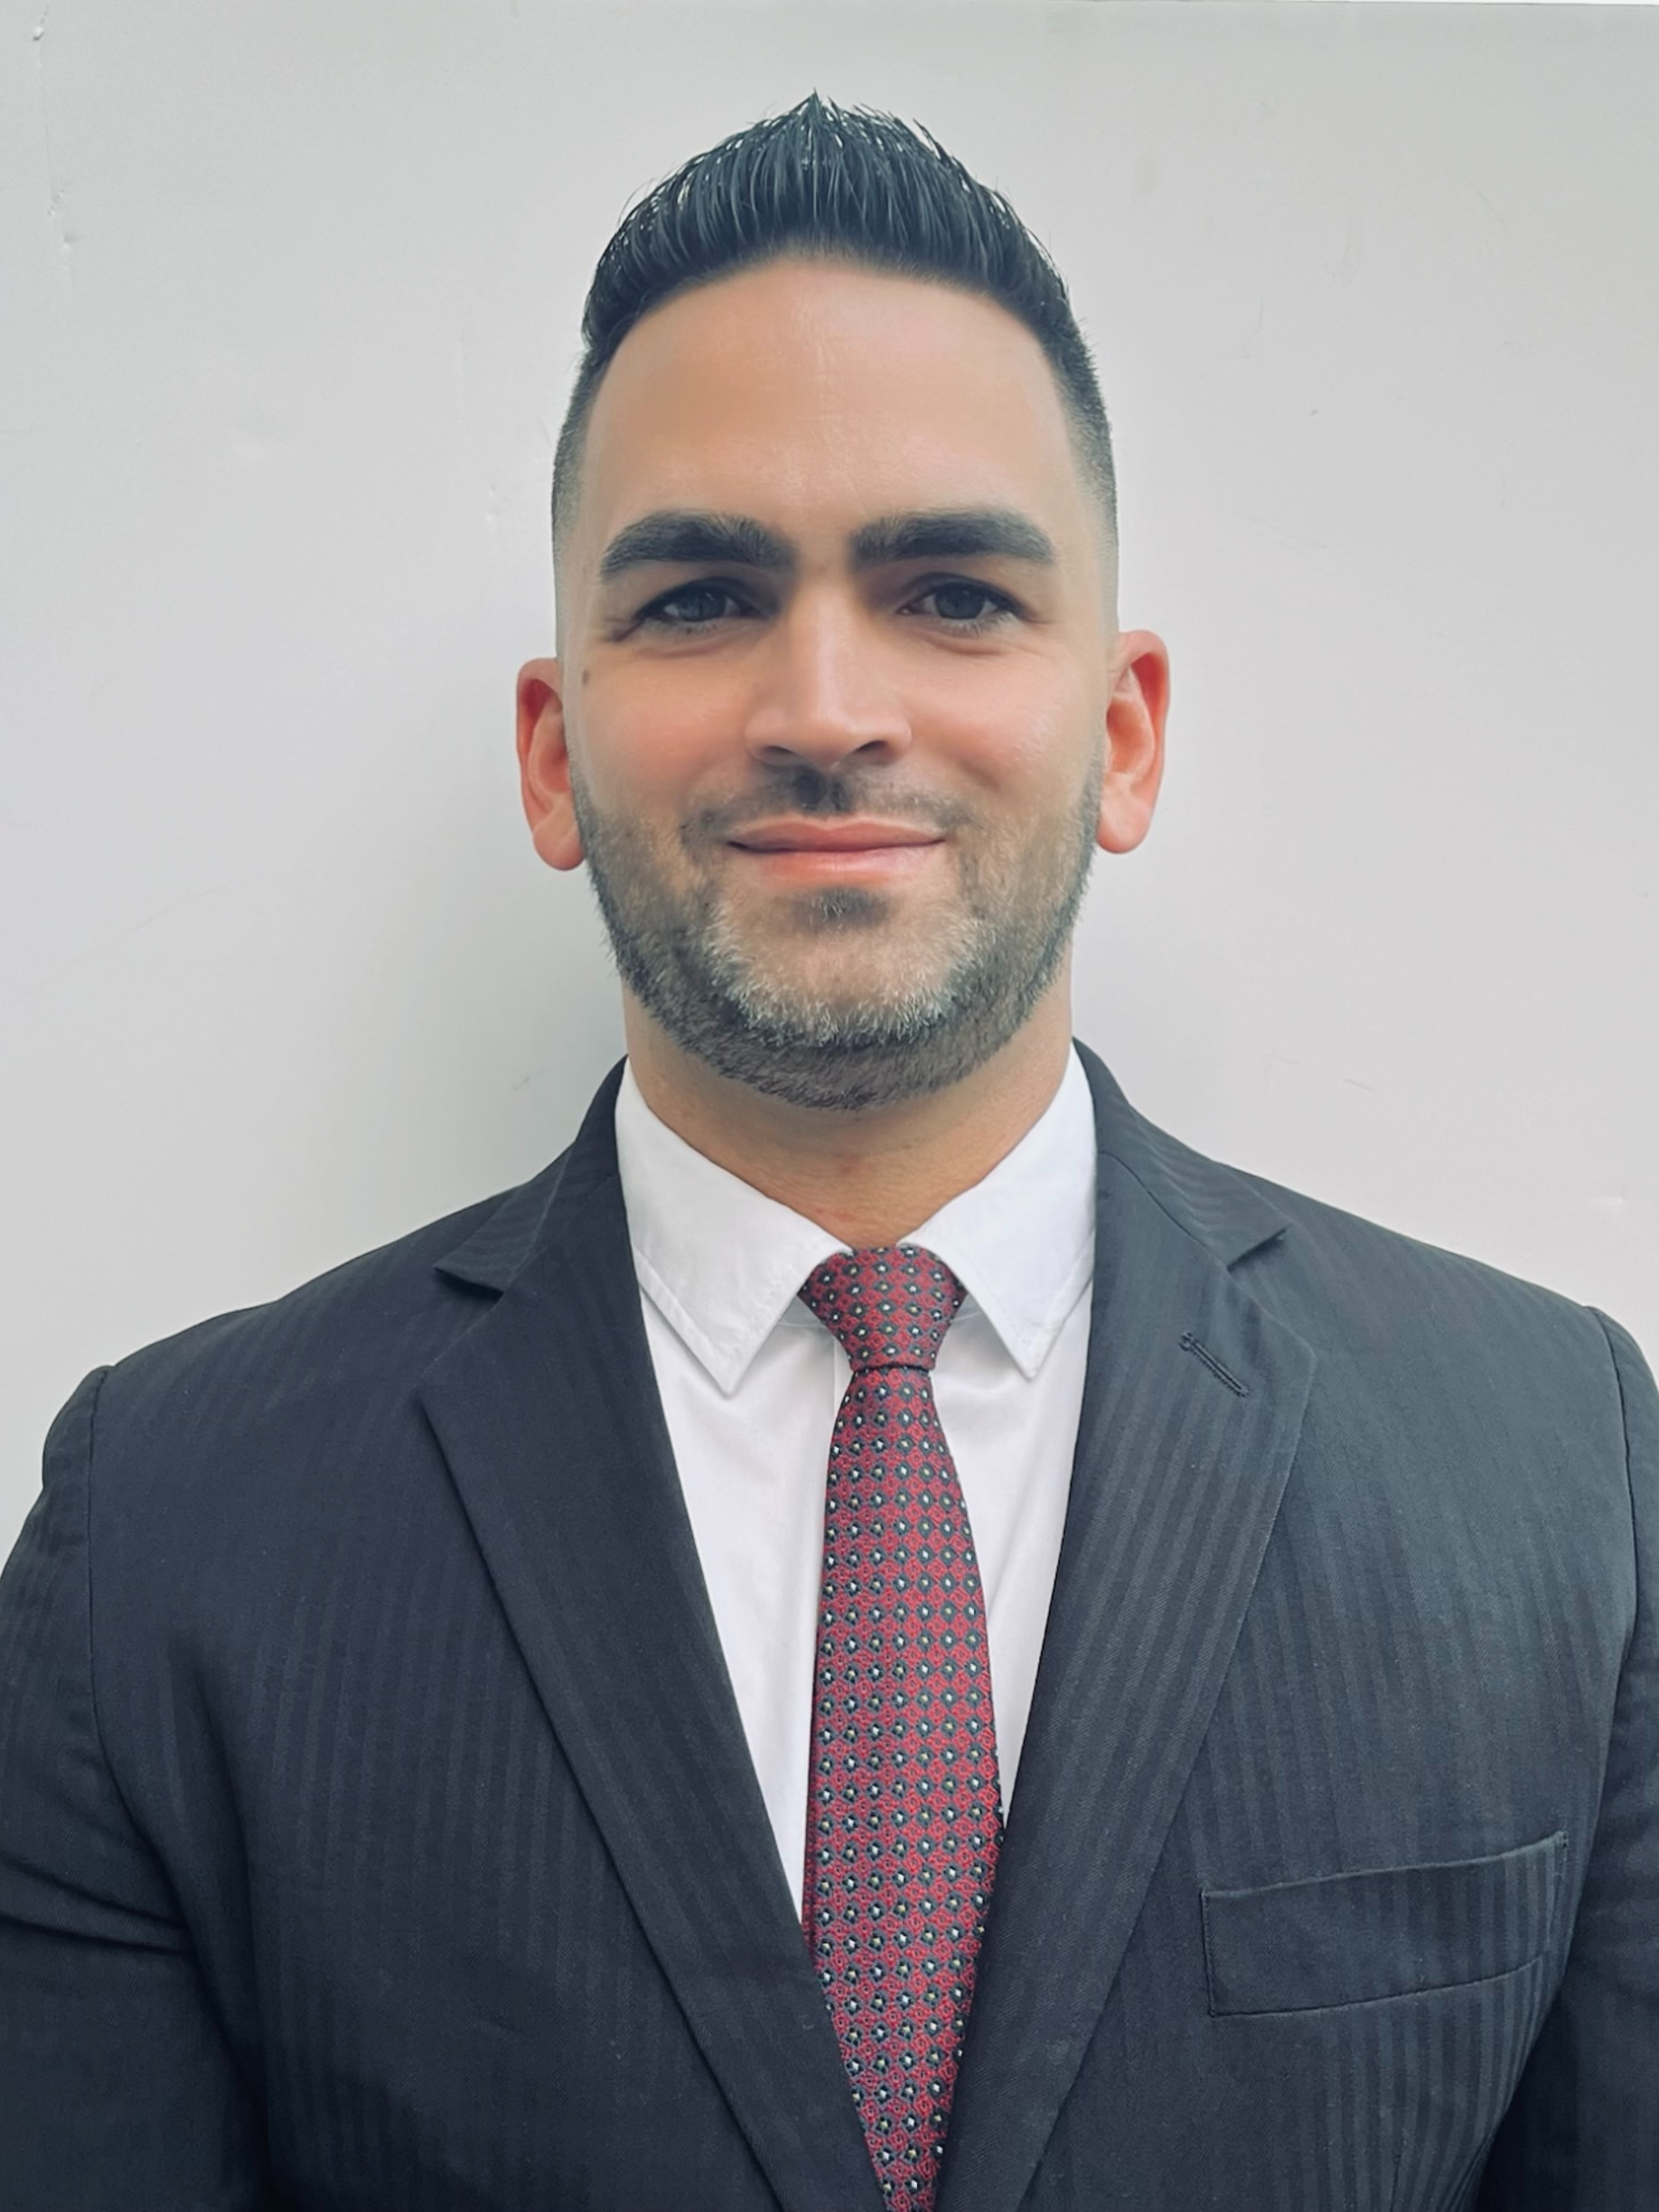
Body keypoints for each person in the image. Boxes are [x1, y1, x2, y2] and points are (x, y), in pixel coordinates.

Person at [0, 91, 1653, 2212]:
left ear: (1124, 732)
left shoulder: (1559, 1474)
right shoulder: (168, 1540)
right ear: (552, 752)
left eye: (953, 593)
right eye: (701, 598)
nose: (826, 705)